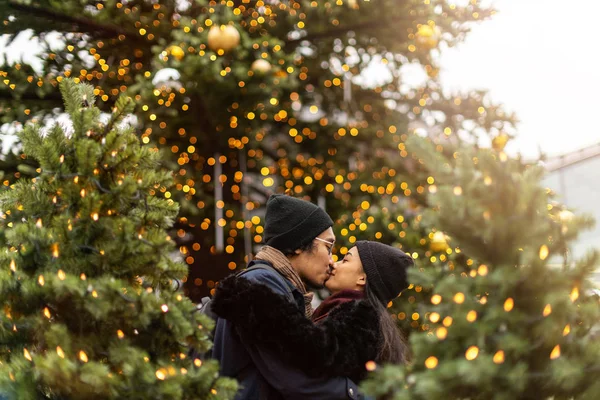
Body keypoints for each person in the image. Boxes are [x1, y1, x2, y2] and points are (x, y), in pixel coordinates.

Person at [212, 194, 365, 399]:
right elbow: (296, 378)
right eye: (328, 247)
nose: (331, 261)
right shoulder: (260, 285)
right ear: (300, 243)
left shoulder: (277, 286)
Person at [212, 240, 413, 383]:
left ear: (362, 278)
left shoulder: (362, 315)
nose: (334, 264)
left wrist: (249, 298)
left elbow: (315, 350)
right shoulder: (359, 313)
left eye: (345, 260)